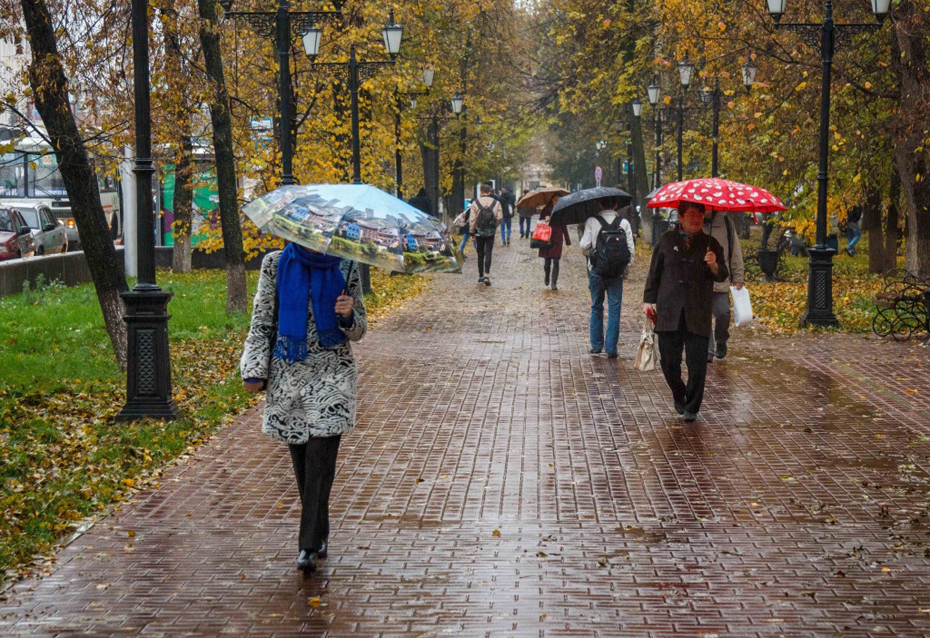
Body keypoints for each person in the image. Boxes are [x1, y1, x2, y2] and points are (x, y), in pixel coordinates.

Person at [240, 243, 367, 574]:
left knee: (320, 458)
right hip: (289, 373)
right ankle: (320, 530)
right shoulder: (275, 264)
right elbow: (262, 321)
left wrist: (348, 315)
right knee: (304, 463)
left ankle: (308, 544)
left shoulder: (347, 265)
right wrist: (253, 368)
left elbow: (359, 330)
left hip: (333, 374)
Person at [643, 202, 729, 422]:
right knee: (669, 361)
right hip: (669, 310)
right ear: (680, 217)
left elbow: (722, 275)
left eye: (700, 214)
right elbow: (655, 273)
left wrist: (714, 265)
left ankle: (692, 406)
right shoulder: (666, 240)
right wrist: (648, 301)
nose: (697, 219)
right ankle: (679, 394)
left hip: (697, 311)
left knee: (697, 363)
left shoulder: (711, 244)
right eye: (691, 214)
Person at [580, 196, 634, 359]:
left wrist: (592, 256)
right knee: (614, 308)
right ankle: (611, 348)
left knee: (597, 306)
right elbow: (630, 250)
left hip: (597, 271)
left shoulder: (592, 221)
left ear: (599, 204)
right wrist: (625, 270)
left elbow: (584, 246)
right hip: (616, 272)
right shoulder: (624, 223)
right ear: (616, 205)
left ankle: (596, 345)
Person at [702, 208, 745, 362]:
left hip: (721, 279)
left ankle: (721, 340)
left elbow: (735, 251)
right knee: (703, 316)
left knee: (723, 313)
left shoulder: (726, 223)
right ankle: (708, 350)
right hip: (700, 282)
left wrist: (738, 276)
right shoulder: (695, 222)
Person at [467, 182, 503, 285]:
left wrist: (471, 232)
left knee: (480, 253)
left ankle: (480, 275)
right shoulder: (496, 203)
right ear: (489, 192)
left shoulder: (476, 203)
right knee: (489, 252)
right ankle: (487, 274)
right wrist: (494, 226)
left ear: (481, 192)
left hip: (479, 231)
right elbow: (500, 217)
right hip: (490, 232)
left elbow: (472, 219)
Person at [537, 198, 571, 290]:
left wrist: (567, 240)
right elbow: (539, 223)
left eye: (558, 200)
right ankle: (547, 275)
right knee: (547, 262)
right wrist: (545, 219)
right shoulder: (545, 210)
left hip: (557, 238)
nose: (557, 201)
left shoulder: (562, 210)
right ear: (552, 200)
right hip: (546, 237)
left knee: (556, 261)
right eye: (555, 200)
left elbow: (564, 225)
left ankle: (554, 282)